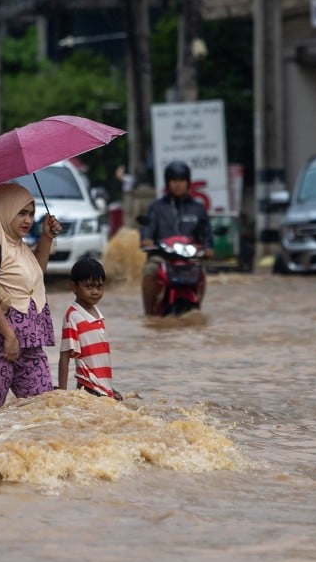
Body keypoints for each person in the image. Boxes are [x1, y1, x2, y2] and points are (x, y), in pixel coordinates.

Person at [0, 182, 62, 421]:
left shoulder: (18, 246)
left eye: (31, 213)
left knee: (43, 414)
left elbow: (33, 277)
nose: (28, 220)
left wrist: (46, 238)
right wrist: (8, 336)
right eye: (21, 213)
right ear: (4, 210)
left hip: (30, 343)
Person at [139, 160, 214, 316]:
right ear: (168, 183)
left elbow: (206, 232)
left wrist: (208, 247)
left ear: (188, 183)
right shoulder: (157, 207)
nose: (177, 184)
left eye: (181, 180)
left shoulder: (198, 208)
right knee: (149, 270)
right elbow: (148, 227)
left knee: (201, 271)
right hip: (162, 257)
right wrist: (146, 239)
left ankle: (197, 307)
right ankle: (149, 313)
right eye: (174, 180)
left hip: (190, 258)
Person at [58, 257, 122, 400]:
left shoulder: (98, 315)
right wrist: (61, 394)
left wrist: (109, 388)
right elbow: (64, 356)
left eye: (99, 287)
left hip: (102, 389)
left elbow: (99, 360)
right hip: (88, 389)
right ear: (74, 287)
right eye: (89, 287)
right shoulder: (73, 317)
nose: (95, 292)